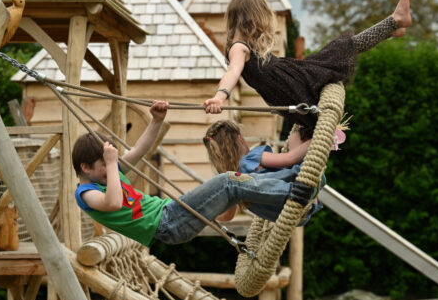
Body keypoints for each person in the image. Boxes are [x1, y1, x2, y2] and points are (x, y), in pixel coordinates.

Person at [72, 101, 315, 247]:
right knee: (228, 182)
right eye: (102, 165)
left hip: (173, 213)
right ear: (85, 167)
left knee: (235, 190)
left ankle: (294, 201)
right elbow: (113, 203)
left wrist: (156, 121)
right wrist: (112, 163)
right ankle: (293, 192)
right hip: (168, 223)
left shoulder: (108, 174)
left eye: (108, 164)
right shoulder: (86, 193)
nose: (109, 169)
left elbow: (139, 149)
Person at [204, 0, 412, 140]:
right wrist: (220, 96)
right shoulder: (238, 47)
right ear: (254, 19)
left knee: (340, 48)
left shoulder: (243, 46)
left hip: (294, 82)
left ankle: (392, 25)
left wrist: (219, 96)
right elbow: (232, 72)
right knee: (342, 48)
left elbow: (235, 71)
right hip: (295, 85)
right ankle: (393, 23)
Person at [203, 120, 323, 225]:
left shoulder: (232, 185)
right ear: (240, 139)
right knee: (295, 138)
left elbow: (228, 216)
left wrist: (210, 216)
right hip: (303, 188)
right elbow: (290, 158)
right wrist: (318, 139)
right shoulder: (251, 158)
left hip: (296, 217)